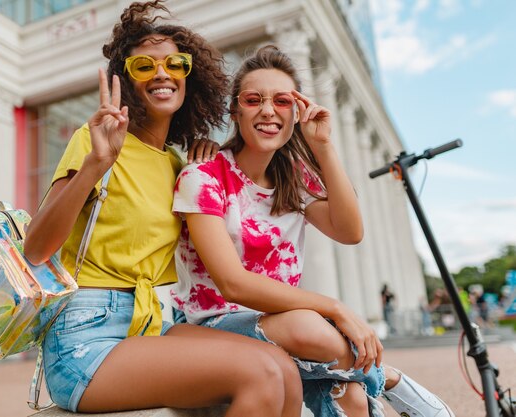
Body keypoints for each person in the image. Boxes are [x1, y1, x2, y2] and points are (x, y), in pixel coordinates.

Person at [24, 4, 303, 416]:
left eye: (175, 63)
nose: (161, 72)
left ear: (189, 76)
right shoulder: (96, 140)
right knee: (259, 373)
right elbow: (35, 250)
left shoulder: (178, 165)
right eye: (143, 66)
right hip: (86, 336)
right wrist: (95, 166)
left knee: (285, 369)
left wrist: (199, 168)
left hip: (154, 324)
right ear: (126, 80)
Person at [171, 45, 455, 417]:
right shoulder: (204, 177)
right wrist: (336, 309)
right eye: (254, 99)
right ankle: (388, 379)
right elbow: (233, 284)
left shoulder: (294, 181)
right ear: (235, 111)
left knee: (350, 398)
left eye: (283, 101)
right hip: (210, 324)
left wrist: (322, 144)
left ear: (297, 112)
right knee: (312, 326)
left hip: (286, 328)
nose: (268, 111)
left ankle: (366, 385)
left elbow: (350, 231)